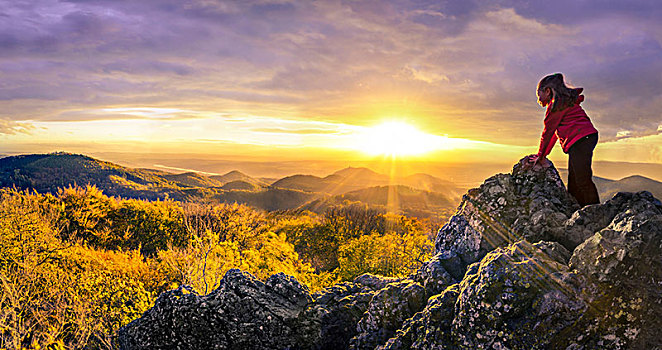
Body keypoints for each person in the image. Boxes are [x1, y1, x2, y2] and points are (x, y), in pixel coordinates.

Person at [526, 73, 600, 207]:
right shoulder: (565, 103)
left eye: (539, 94)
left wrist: (541, 156)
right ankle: (578, 208)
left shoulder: (556, 107)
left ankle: (595, 210)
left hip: (581, 139)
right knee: (574, 180)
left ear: (547, 91)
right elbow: (554, 134)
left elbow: (547, 133)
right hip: (585, 138)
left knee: (582, 180)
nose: (538, 98)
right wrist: (543, 155)